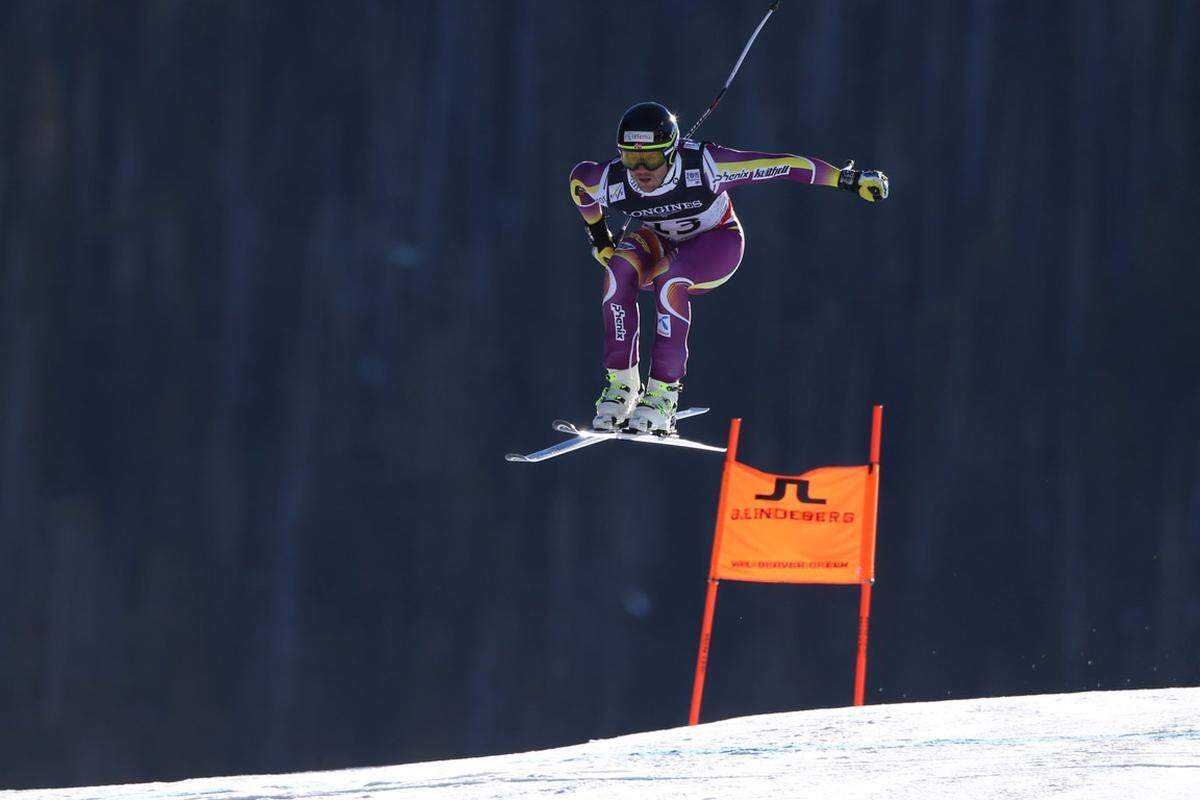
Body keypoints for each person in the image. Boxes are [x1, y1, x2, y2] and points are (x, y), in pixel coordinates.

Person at [569, 101, 888, 433]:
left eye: (650, 158)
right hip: (661, 239)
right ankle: (622, 386)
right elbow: (579, 185)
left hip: (716, 245)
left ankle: (663, 395)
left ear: (672, 151)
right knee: (618, 269)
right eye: (631, 158)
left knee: (669, 278)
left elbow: (783, 165)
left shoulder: (707, 165)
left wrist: (847, 179)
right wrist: (601, 238)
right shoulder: (613, 179)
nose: (640, 170)